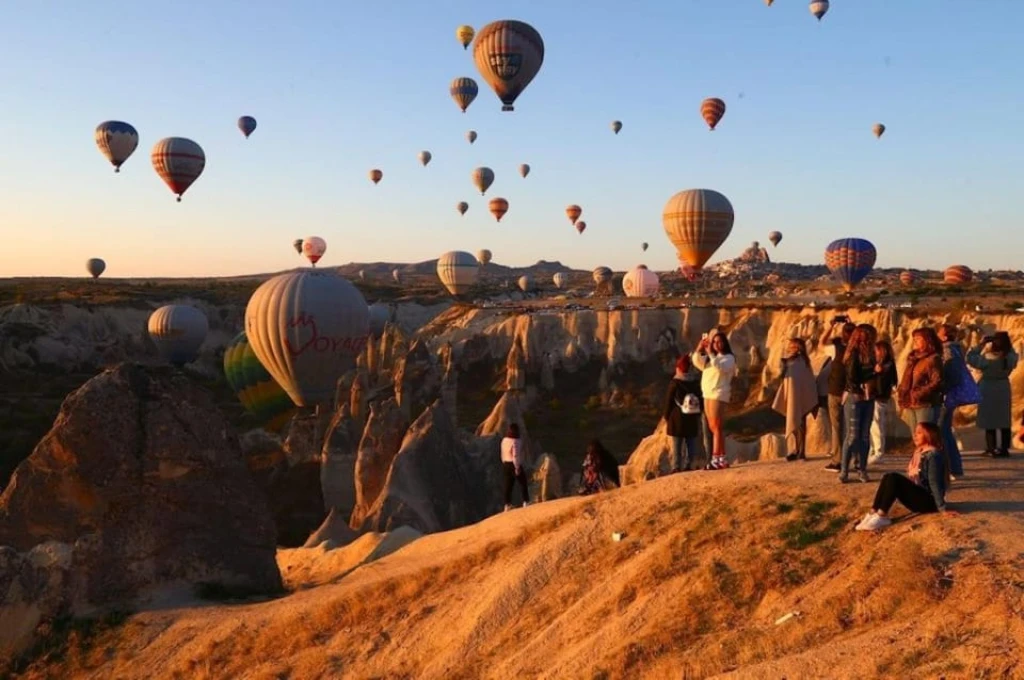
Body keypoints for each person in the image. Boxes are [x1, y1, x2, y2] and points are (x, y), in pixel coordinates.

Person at [856, 422, 954, 531]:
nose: (915, 435)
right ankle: (873, 512)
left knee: (894, 478)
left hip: (930, 502)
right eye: (915, 432)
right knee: (888, 476)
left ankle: (881, 515)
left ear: (929, 435)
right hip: (920, 496)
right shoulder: (920, 452)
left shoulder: (933, 455)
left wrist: (942, 509)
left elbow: (934, 482)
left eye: (919, 433)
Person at [967, 331, 1019, 457]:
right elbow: (1012, 353)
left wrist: (981, 344)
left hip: (988, 388)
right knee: (1003, 419)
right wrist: (1007, 345)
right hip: (1003, 388)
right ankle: (1004, 449)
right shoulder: (1010, 357)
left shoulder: (987, 358)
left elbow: (970, 357)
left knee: (989, 419)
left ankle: (991, 448)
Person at [692, 330, 737, 470]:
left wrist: (711, 353)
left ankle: (715, 458)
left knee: (716, 426)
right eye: (714, 342)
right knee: (713, 427)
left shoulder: (729, 358)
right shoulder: (710, 359)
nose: (717, 344)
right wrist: (700, 348)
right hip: (707, 394)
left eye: (719, 342)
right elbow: (697, 362)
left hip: (719, 394)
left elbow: (720, 367)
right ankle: (722, 458)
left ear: (724, 343)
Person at [840, 324, 878, 484]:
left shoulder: (872, 353)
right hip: (855, 396)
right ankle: (844, 470)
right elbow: (852, 376)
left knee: (864, 436)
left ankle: (861, 468)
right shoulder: (853, 353)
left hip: (868, 397)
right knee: (853, 436)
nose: (868, 339)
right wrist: (873, 373)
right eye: (865, 335)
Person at [938, 324, 975, 478]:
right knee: (946, 431)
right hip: (951, 395)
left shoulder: (947, 350)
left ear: (945, 336)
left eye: (939, 333)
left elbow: (950, 374)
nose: (937, 335)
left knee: (941, 432)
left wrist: (943, 390)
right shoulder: (956, 349)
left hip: (946, 396)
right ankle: (955, 468)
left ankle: (950, 468)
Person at [772, 337, 818, 461]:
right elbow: (786, 379)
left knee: (800, 424)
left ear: (798, 349)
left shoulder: (802, 362)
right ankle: (795, 450)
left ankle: (801, 452)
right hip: (793, 397)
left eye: (792, 347)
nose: (789, 349)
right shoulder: (790, 362)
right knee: (794, 424)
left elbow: (806, 381)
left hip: (800, 398)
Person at [821, 319, 856, 472]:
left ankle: (838, 461)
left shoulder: (837, 349)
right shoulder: (858, 350)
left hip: (836, 391)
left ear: (843, 334)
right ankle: (852, 459)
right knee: (851, 427)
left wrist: (831, 325)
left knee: (837, 427)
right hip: (852, 392)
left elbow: (821, 343)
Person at [897, 328, 944, 430]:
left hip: (925, 403)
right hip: (910, 402)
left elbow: (937, 381)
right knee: (916, 437)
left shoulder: (933, 359)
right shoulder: (913, 358)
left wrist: (919, 393)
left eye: (918, 338)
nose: (915, 341)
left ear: (928, 340)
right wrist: (902, 391)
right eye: (914, 338)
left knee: (926, 435)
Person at [662, 355, 702, 472]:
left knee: (677, 445)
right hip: (691, 417)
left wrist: (666, 416)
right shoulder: (695, 382)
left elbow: (669, 400)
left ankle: (676, 466)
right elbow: (700, 398)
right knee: (690, 443)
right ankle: (689, 464)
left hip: (677, 417)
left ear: (679, 368)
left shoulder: (675, 382)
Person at [867, 340, 898, 466]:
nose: (875, 352)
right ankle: (873, 450)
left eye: (877, 350)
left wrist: (876, 372)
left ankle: (879, 453)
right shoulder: (886, 364)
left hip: (878, 398)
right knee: (874, 426)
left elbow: (884, 382)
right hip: (878, 397)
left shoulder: (887, 365)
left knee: (877, 426)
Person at [500, 423, 529, 510]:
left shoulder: (504, 440)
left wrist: (504, 462)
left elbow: (502, 452)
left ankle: (507, 505)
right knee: (523, 483)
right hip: (514, 464)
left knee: (508, 485)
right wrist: (517, 468)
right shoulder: (516, 441)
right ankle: (526, 501)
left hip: (505, 464)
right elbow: (515, 455)